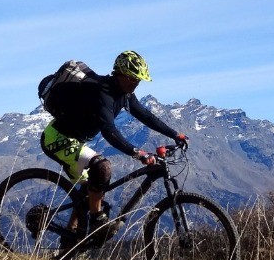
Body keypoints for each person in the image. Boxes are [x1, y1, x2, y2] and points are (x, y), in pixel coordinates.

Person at [39, 50, 189, 238]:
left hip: (75, 141)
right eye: (134, 78)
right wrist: (137, 153)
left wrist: (175, 134)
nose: (137, 83)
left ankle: (69, 240)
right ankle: (96, 222)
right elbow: (108, 131)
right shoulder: (103, 92)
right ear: (121, 74)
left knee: (88, 192)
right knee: (102, 167)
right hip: (57, 139)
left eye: (139, 80)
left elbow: (146, 116)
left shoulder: (125, 94)